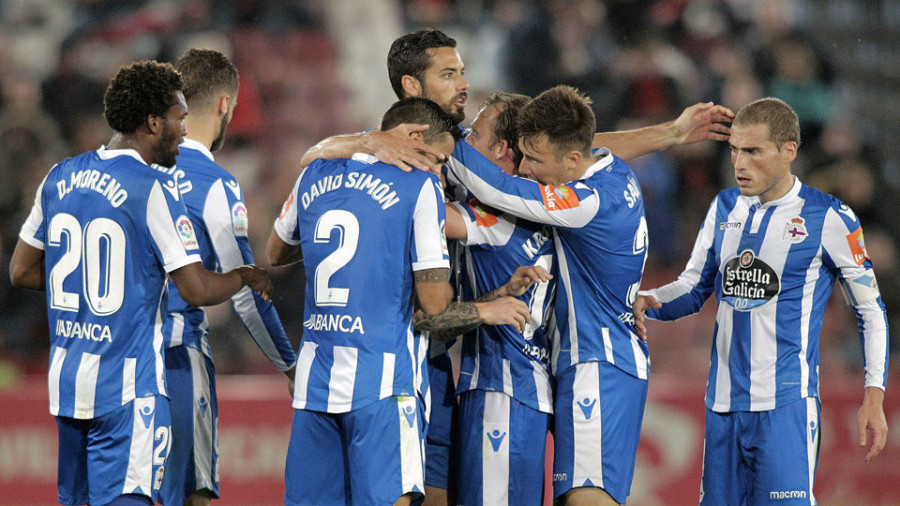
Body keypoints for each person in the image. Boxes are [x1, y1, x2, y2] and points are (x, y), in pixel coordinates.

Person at [298, 28, 734, 505]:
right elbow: (580, 151)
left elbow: (574, 151)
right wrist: (667, 134)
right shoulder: (412, 152)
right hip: (431, 364)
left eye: (462, 71)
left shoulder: (482, 182)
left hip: (448, 366)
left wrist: (328, 149)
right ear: (412, 87)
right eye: (449, 74)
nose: (463, 83)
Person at [7, 60, 272, 506]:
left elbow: (21, 270)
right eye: (179, 117)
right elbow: (196, 290)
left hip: (69, 384)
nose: (185, 130)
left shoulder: (60, 176)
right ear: (153, 122)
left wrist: (90, 293)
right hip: (126, 391)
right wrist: (246, 275)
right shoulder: (153, 188)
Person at [267, 97, 532, 506]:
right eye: (440, 159)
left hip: (315, 381)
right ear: (413, 137)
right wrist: (482, 305)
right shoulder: (419, 185)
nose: (441, 173)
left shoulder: (315, 170)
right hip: (384, 383)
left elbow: (275, 254)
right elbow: (433, 306)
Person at [633, 97, 889, 505]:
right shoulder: (724, 206)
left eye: (753, 150)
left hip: (784, 406)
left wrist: (873, 394)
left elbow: (870, 309)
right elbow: (694, 286)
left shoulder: (829, 217)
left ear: (789, 151)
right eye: (734, 149)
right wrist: (649, 299)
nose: (739, 162)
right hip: (722, 408)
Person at [446, 84, 650, 505]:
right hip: (588, 364)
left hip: (596, 362)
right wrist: (674, 132)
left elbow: (499, 191)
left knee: (585, 499)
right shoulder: (615, 172)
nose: (526, 169)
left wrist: (432, 132)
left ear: (573, 160)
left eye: (535, 160)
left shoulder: (584, 202)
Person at [158, 48, 298, 506]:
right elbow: (247, 293)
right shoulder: (213, 184)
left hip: (112, 359)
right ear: (223, 105)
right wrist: (288, 365)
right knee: (189, 495)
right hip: (177, 360)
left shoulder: (125, 171)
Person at [441, 91, 557, 506]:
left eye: (474, 133)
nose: (466, 141)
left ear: (502, 149)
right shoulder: (538, 205)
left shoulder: (504, 214)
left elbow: (421, 212)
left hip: (503, 390)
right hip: (520, 390)